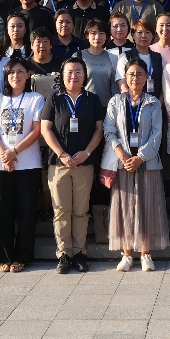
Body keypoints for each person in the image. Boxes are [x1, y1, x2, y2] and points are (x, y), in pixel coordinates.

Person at [102, 58, 168, 271]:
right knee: (124, 209)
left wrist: (140, 157)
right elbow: (109, 130)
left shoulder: (153, 102)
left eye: (140, 74)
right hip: (122, 163)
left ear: (146, 77)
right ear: (125, 77)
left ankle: (146, 253)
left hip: (147, 163)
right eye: (131, 74)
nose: (135, 78)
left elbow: (157, 133)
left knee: (147, 208)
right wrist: (122, 154)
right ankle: (127, 254)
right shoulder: (115, 101)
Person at [40, 57, 105, 273]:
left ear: (85, 76)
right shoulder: (54, 99)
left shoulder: (92, 99)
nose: (74, 76)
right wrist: (62, 154)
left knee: (81, 211)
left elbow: (99, 130)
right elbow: (45, 129)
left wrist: (87, 153)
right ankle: (64, 254)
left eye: (78, 71)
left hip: (84, 163)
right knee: (61, 210)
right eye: (69, 71)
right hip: (59, 164)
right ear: (62, 75)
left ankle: (79, 252)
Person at [0, 56, 45, 272]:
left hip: (28, 163)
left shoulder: (35, 98)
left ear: (28, 74)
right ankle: (5, 256)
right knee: (4, 213)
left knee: (26, 212)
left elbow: (37, 130)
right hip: (1, 165)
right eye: (11, 72)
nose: (15, 76)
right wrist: (4, 154)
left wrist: (14, 152)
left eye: (20, 72)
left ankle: (23, 256)